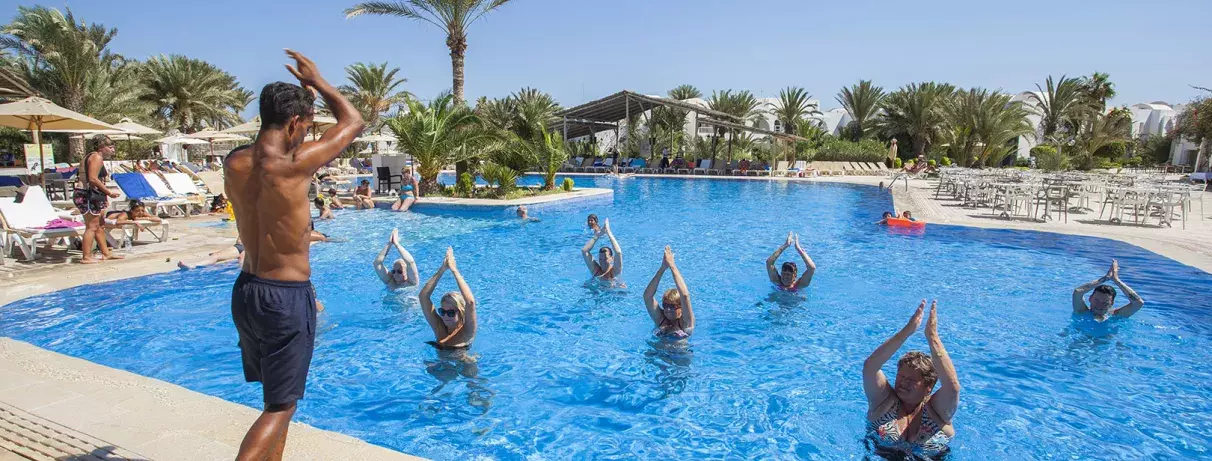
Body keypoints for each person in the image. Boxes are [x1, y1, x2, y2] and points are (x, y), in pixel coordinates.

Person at [223, 49, 364, 461]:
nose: (308, 134)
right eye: (307, 126)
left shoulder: (234, 163)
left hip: (246, 290)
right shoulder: (295, 164)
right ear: (294, 123)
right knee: (280, 406)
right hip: (285, 296)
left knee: (276, 401)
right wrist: (319, 81)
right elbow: (353, 121)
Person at [862, 300, 959, 459]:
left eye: (911, 380)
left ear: (929, 386)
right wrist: (906, 332)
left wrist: (933, 337)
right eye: (901, 376)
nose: (903, 382)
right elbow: (870, 367)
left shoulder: (938, 411)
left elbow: (952, 386)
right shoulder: (883, 402)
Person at [72, 135, 123, 264]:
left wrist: (103, 195)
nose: (113, 150)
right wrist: (108, 192)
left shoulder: (93, 156)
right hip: (87, 194)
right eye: (110, 147)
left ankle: (106, 253)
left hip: (91, 194)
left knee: (99, 225)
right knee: (92, 227)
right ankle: (86, 257)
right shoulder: (96, 157)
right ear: (101, 147)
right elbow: (93, 179)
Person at [419, 247, 478, 349]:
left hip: (463, 363)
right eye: (442, 311)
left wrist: (454, 270)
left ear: (461, 312)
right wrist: (442, 269)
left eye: (451, 313)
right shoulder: (439, 327)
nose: (445, 316)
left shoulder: (467, 331)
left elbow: (470, 302)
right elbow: (423, 297)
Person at [643, 246, 695, 339]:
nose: (667, 310)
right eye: (665, 305)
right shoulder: (661, 318)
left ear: (681, 307)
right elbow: (647, 296)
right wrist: (662, 268)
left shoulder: (685, 322)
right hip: (656, 352)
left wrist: (672, 266)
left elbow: (685, 295)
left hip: (678, 353)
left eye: (672, 306)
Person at [1072, 259, 1145, 322]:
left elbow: (1138, 303)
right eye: (1097, 300)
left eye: (1105, 303)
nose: (1099, 305)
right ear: (1090, 298)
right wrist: (1105, 278)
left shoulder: (1116, 316)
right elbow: (1078, 292)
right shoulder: (1081, 311)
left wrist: (1116, 280)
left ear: (1111, 303)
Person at [179, 238, 245, 269]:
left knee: (242, 260)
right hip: (240, 247)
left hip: (251, 249)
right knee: (216, 255)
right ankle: (193, 265)